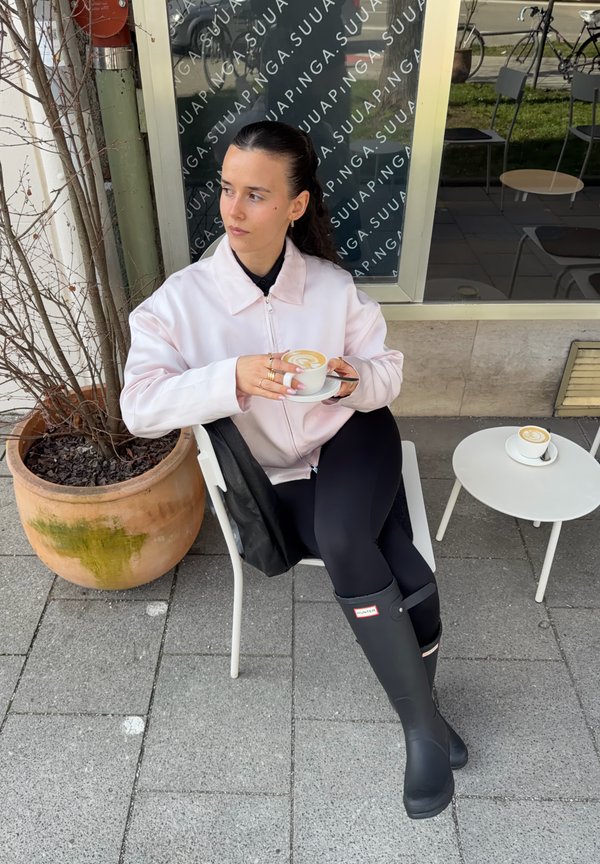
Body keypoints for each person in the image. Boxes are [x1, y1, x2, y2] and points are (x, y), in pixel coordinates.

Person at [120, 120, 467, 820]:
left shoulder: (333, 288)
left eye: (255, 195)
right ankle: (427, 720)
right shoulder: (182, 304)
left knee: (345, 542)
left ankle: (417, 731)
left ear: (296, 206)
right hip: (278, 476)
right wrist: (232, 378)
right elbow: (139, 406)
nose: (232, 210)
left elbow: (386, 376)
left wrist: (348, 383)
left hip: (353, 438)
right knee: (407, 571)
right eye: (226, 190)